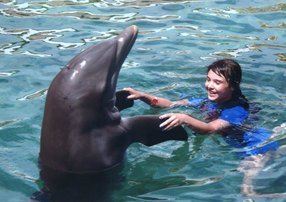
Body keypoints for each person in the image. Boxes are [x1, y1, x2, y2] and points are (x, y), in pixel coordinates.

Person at [123, 59, 281, 197]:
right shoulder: (208, 101)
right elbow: (171, 104)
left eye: (217, 82)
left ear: (233, 86)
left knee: (247, 193)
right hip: (251, 143)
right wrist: (142, 95)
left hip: (257, 149)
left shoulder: (236, 110)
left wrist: (184, 118)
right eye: (208, 80)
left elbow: (210, 129)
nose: (210, 86)